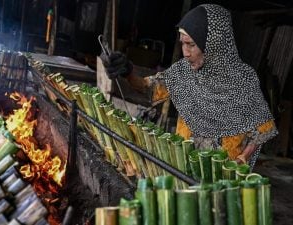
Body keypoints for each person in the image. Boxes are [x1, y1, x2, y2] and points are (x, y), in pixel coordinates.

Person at [100, 4, 278, 168]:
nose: (185, 52)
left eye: (191, 45)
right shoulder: (184, 72)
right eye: (182, 44)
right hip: (184, 167)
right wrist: (127, 71)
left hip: (222, 176)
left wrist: (242, 159)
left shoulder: (243, 80)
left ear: (213, 43)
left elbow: (262, 128)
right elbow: (148, 88)